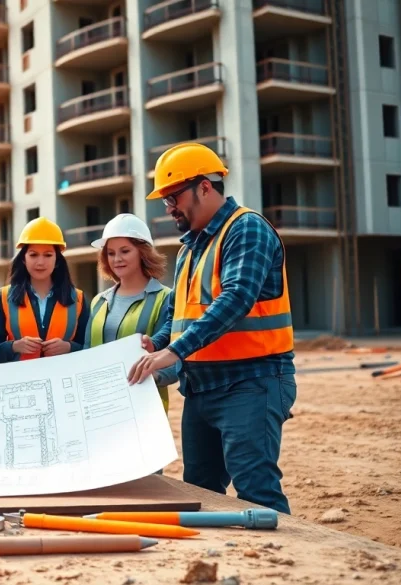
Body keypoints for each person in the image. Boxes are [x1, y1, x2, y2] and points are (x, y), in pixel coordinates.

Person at [127, 143, 297, 515]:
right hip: (201, 388)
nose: (169, 208)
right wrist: (155, 342)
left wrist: (172, 353)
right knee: (200, 491)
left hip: (250, 382)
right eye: (165, 201)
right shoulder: (191, 246)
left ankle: (280, 568)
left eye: (173, 198)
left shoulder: (246, 229)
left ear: (204, 187)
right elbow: (179, 312)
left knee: (256, 488)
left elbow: (236, 299)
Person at [82, 214, 176, 418]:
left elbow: (175, 358)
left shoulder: (165, 299)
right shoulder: (99, 301)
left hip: (145, 410)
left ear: (142, 252)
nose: (117, 259)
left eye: (125, 251)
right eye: (110, 253)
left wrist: (155, 376)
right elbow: (86, 352)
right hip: (99, 406)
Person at [0, 217, 89, 363]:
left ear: (57, 260)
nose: (40, 262)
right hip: (18, 381)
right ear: (24, 259)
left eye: (48, 255)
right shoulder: (4, 297)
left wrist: (69, 347)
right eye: (33, 255)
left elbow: (91, 347)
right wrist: (14, 346)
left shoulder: (78, 298)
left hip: (63, 380)